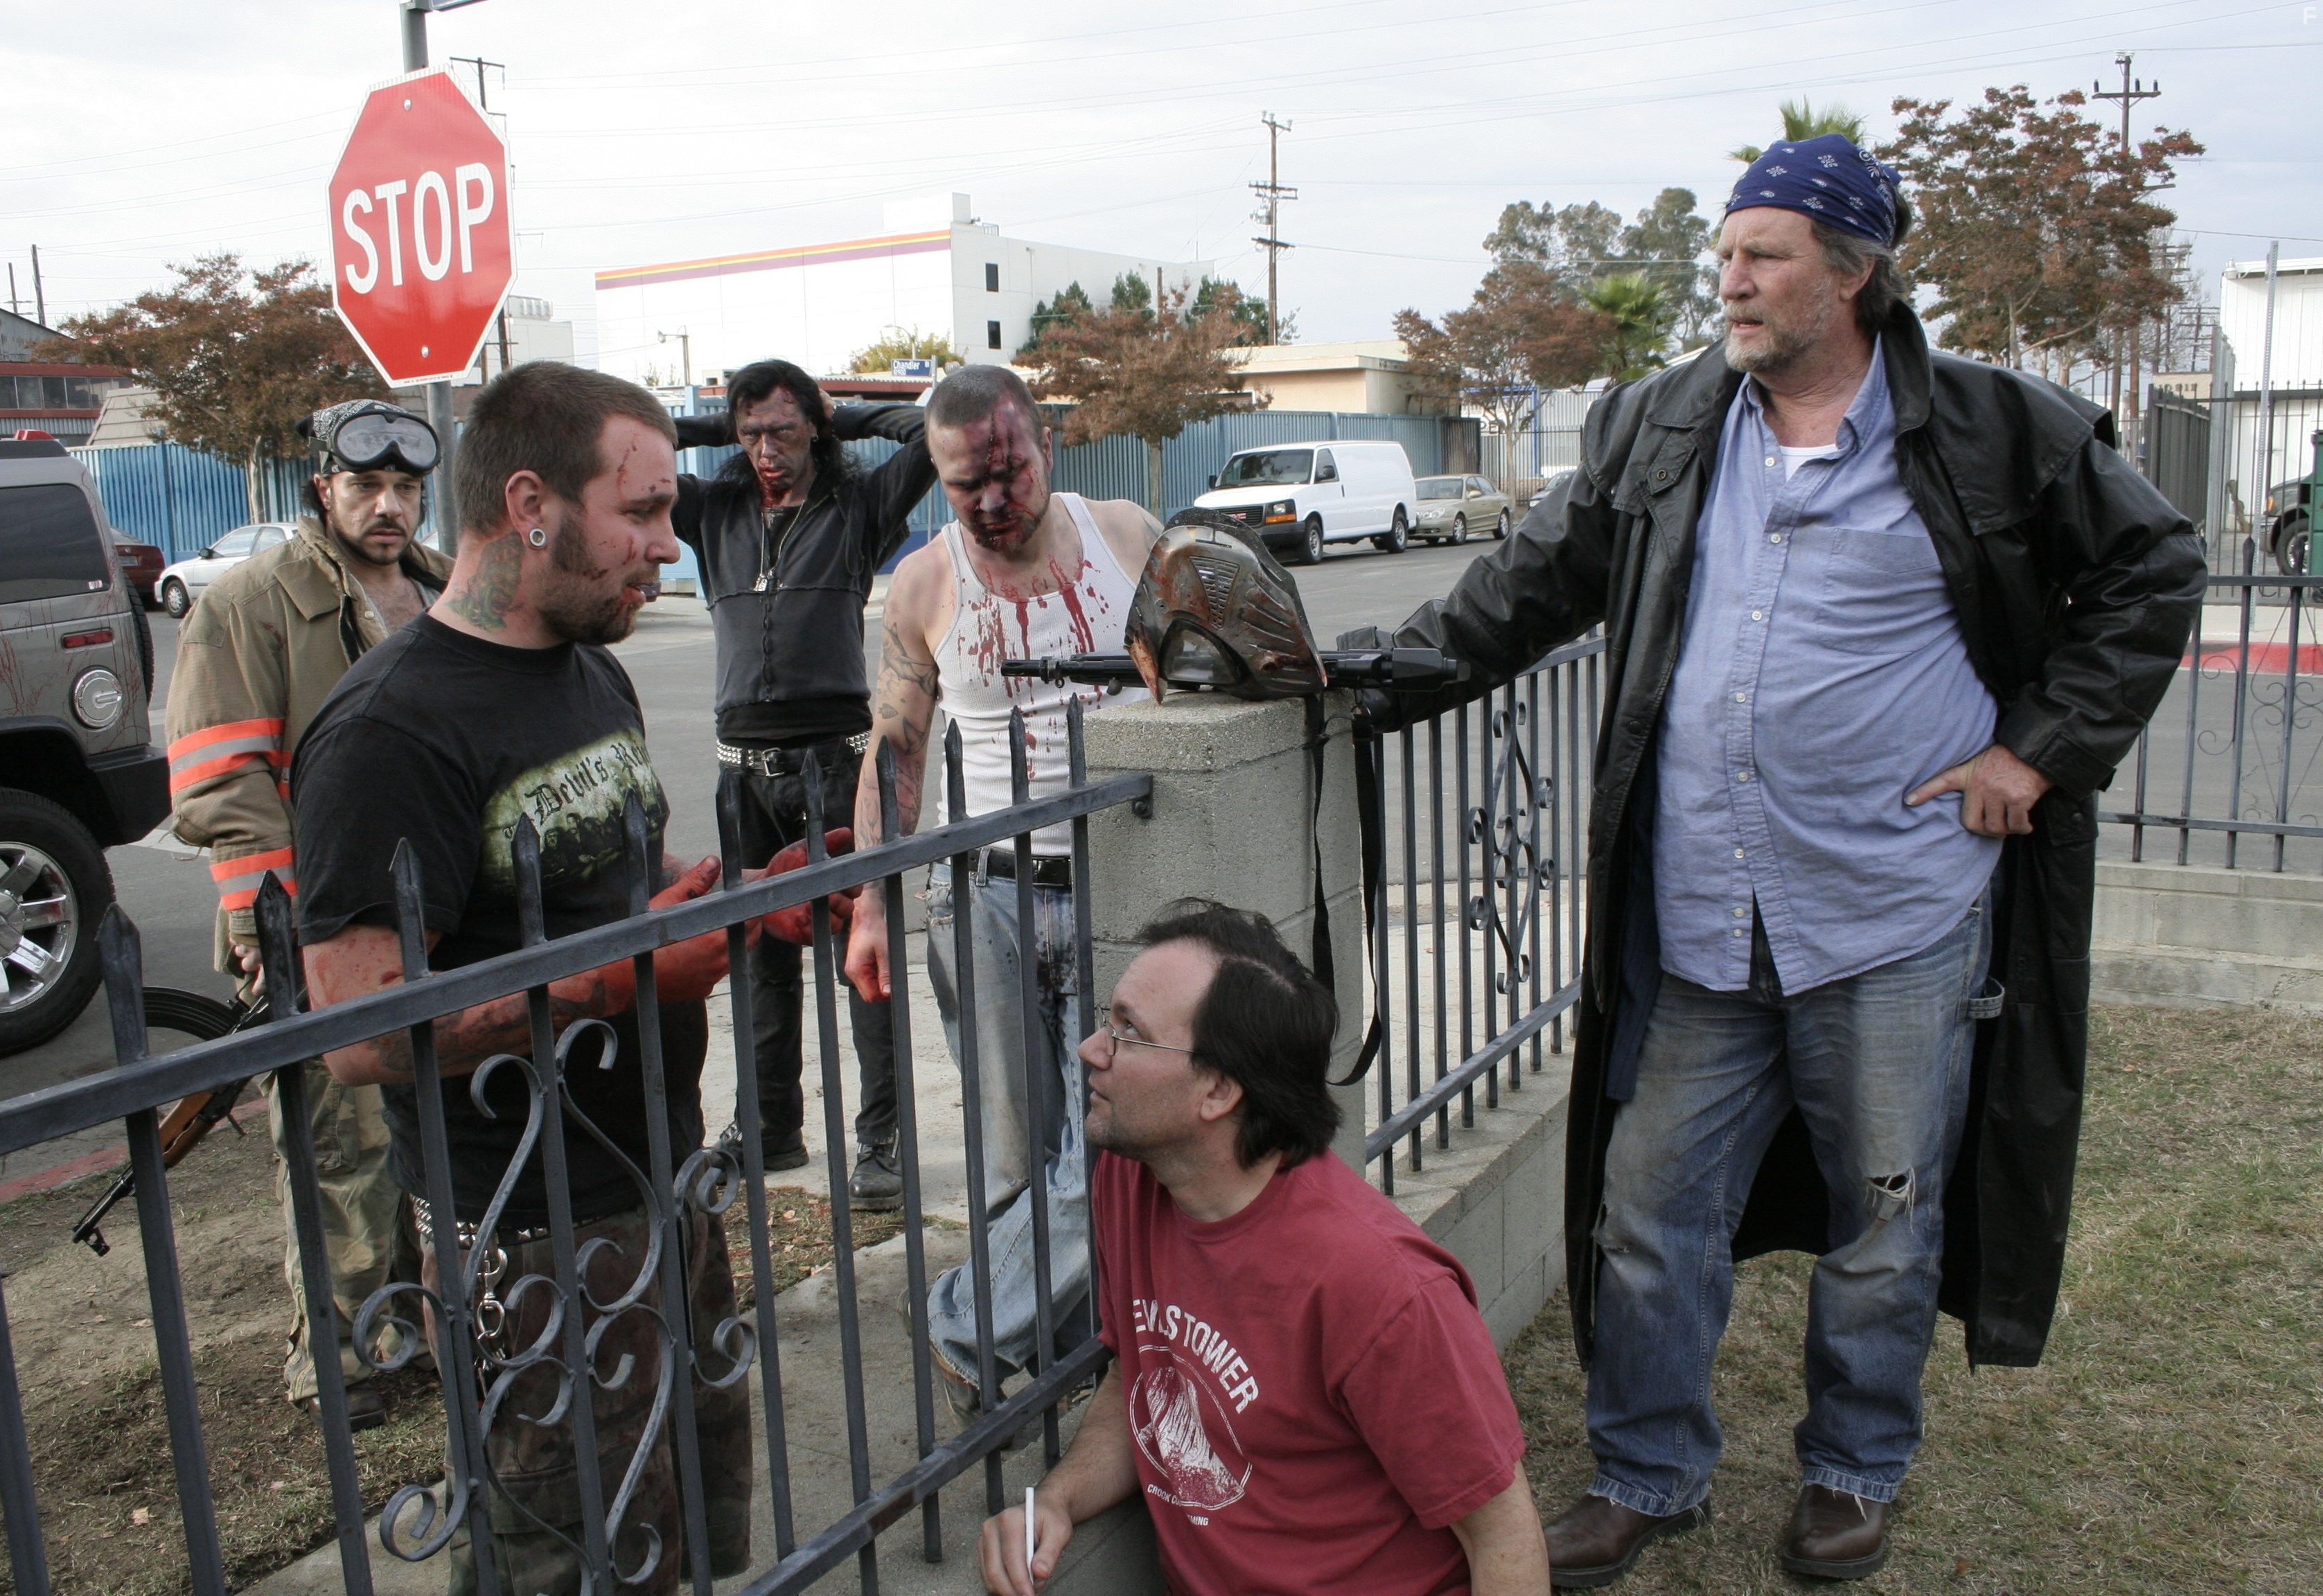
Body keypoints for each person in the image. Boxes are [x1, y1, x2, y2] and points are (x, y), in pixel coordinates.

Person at [1356, 136, 2203, 1585]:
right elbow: (1526, 585)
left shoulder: (1995, 427)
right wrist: (1358, 673)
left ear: (1853, 272)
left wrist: (2036, 751)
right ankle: (1646, 1471)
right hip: (1703, 911)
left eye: (1764, 255)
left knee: (1885, 1212)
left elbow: (2155, 567)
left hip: (1893, 908)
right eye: (1726, 255)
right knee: (1647, 1210)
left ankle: (1852, 1468)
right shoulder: (1665, 421)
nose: (1731, 281)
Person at [293, 362, 751, 1592]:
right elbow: (360, 1032)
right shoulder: (387, 733)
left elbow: (606, 887)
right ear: (531, 504)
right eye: (642, 511)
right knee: (568, 1556)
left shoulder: (592, 669)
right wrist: (631, 976)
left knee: (692, 1532)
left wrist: (725, 900)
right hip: (526, 1231)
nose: (670, 545)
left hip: (663, 1180)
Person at [978, 901, 1549, 1596]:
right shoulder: (1132, 1181)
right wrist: (1056, 1501)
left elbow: (1502, 1536)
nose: (1092, 1049)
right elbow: (1140, 1379)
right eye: (1109, 1021)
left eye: (1130, 1032)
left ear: (1218, 1090)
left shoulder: (1383, 1290)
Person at [845, 362, 1157, 1419]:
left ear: (1046, 446)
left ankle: (967, 1324)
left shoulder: (1124, 537)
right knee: (1015, 1161)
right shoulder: (925, 583)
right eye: (963, 483)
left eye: (1008, 472)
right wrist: (872, 904)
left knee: (1106, 1142)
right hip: (984, 900)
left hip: (1117, 881)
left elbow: (1198, 676)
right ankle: (1053, 1370)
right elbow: (897, 745)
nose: (989, 500)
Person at [164, 396, 451, 1427]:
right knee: (341, 1147)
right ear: (322, 488)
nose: (388, 507)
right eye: (366, 486)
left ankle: (425, 1327)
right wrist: (270, 926)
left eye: (405, 488)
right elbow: (219, 781)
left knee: (431, 1132)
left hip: (437, 912)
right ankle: (341, 1362)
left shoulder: (443, 588)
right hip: (321, 922)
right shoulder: (250, 603)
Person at [671, 360, 937, 1207]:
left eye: (782, 432)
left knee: (864, 954)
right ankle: (769, 1128)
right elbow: (621, 445)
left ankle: (881, 1142)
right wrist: (714, 424)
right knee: (760, 957)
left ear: (814, 431)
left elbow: (932, 431)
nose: (765, 451)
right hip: (741, 772)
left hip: (836, 765)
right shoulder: (713, 511)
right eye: (749, 434)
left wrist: (837, 413)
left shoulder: (857, 507)